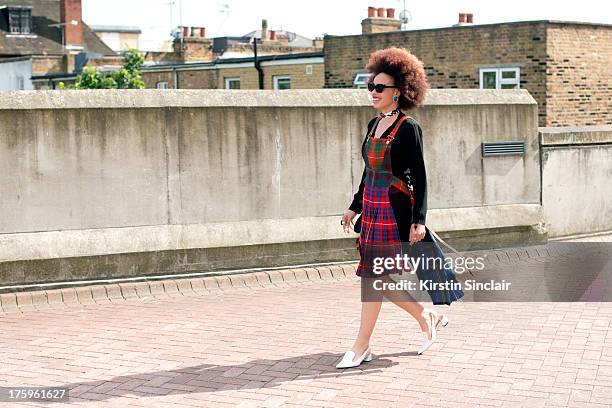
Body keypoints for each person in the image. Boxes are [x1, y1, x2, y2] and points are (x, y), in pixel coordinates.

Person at [337, 47, 450, 369]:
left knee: (374, 277)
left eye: (379, 88)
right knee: (375, 277)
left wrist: (419, 221)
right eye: (371, 86)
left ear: (399, 92)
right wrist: (354, 206)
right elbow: (369, 171)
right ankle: (423, 315)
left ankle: (362, 345)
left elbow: (421, 176)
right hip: (371, 208)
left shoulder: (408, 128)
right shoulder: (374, 124)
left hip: (392, 210)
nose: (373, 92)